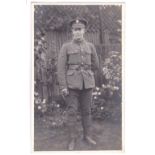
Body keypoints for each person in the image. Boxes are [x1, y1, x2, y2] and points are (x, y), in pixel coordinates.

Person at [57, 17, 99, 150]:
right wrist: (63, 86)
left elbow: (96, 65)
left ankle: (87, 136)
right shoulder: (66, 47)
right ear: (72, 31)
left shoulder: (90, 46)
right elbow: (60, 68)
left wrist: (87, 73)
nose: (77, 32)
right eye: (75, 30)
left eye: (80, 29)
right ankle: (72, 140)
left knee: (87, 111)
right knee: (72, 113)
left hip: (87, 84)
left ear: (84, 31)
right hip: (71, 86)